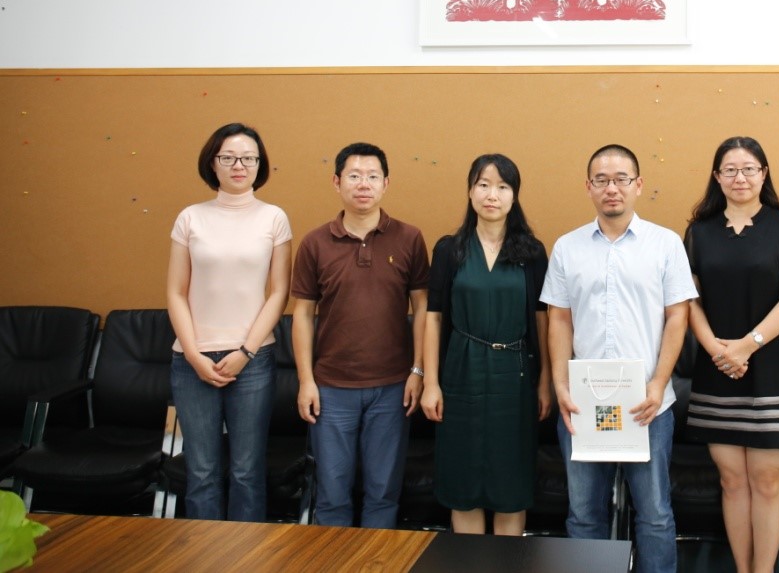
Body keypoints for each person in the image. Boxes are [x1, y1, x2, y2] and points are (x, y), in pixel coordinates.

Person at [542, 144, 697, 573]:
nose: (612, 188)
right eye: (602, 180)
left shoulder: (665, 244)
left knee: (655, 514)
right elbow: (559, 320)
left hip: (647, 405)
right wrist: (560, 386)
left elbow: (678, 317)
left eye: (621, 179)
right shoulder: (568, 247)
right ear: (588, 187)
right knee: (583, 514)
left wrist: (658, 383)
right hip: (583, 406)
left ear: (638, 185)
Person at [684, 136, 779, 573]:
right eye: (730, 169)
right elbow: (689, 300)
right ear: (717, 177)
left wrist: (746, 346)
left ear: (764, 174)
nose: (740, 177)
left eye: (749, 169)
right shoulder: (698, 232)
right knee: (732, 480)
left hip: (771, 368)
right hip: (716, 367)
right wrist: (716, 348)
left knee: (768, 480)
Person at [291, 141, 430, 528]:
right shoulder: (315, 243)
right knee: (332, 493)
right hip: (331, 388)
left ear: (386, 183)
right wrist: (306, 380)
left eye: (372, 176)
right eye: (354, 176)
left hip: (393, 387)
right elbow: (301, 314)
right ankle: (334, 557)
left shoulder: (409, 238)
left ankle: (378, 559)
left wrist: (418, 371)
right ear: (337, 182)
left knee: (383, 493)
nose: (363, 184)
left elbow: (423, 309)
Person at [166, 122, 292, 522]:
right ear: (213, 163)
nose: (240, 166)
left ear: (260, 164)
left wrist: (245, 351)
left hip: (253, 361)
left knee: (246, 471)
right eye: (229, 158)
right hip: (192, 362)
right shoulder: (190, 218)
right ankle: (205, 552)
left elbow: (279, 293)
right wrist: (193, 355)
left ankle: (247, 553)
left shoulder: (274, 218)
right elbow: (176, 292)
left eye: (249, 158)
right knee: (201, 472)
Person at [421, 153, 552, 535]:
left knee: (511, 481)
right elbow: (434, 317)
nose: (492, 195)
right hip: (460, 372)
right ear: (470, 191)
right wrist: (431, 382)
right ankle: (469, 560)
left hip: (516, 376)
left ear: (514, 195)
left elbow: (542, 320)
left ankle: (507, 560)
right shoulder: (449, 249)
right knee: (463, 482)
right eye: (483, 185)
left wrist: (545, 381)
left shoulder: (532, 252)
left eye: (502, 186)